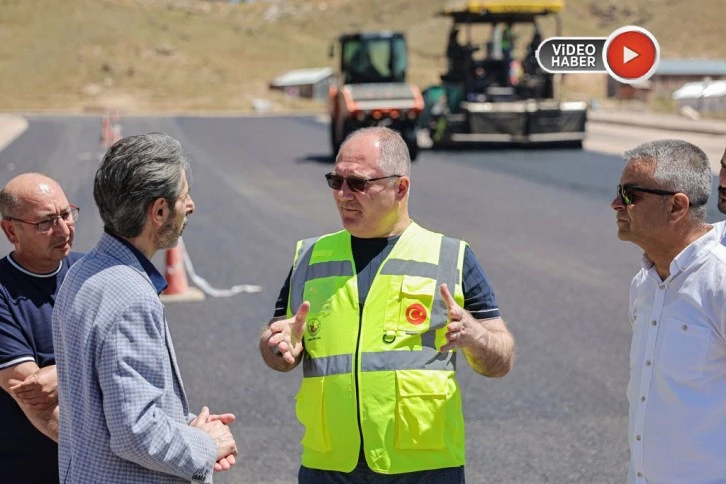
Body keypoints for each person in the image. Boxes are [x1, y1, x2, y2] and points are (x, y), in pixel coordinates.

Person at [259, 127, 515, 483]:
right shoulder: (311, 257)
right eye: (336, 181)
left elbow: (501, 359)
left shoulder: (450, 256)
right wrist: (276, 347)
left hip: (423, 469)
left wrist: (475, 337)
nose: (343, 194)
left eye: (359, 183)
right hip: (329, 466)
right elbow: (276, 342)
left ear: (401, 188)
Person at [52, 133, 237, 483]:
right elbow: (137, 433)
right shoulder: (130, 298)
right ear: (160, 210)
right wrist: (204, 445)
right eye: (184, 196)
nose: (192, 205)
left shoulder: (81, 274)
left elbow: (106, 406)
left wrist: (185, 429)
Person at [611, 139, 726, 483]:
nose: (616, 204)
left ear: (677, 207)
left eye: (631, 195)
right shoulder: (644, 283)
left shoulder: (719, 282)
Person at [0, 173, 82, 484]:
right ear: (11, 231)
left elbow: (132, 358)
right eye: (45, 222)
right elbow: (34, 394)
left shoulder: (92, 276)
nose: (63, 229)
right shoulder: (3, 292)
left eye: (66, 214)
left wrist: (61, 374)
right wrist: (109, 454)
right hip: (26, 469)